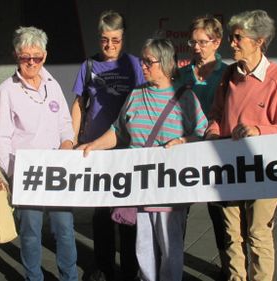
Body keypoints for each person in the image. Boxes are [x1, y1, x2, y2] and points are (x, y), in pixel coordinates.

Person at [80, 38, 208, 281]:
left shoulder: (186, 98)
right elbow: (118, 131)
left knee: (171, 252)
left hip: (171, 189)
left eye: (149, 62)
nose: (143, 67)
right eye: (142, 61)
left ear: (167, 63)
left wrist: (184, 141)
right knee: (144, 250)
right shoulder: (136, 95)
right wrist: (93, 145)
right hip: (141, 189)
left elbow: (202, 133)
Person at [205, 10, 277, 281]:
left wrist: (258, 130)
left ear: (259, 41)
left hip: (265, 169)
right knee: (231, 232)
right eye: (231, 37)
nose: (231, 43)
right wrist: (212, 132)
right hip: (230, 167)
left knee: (258, 233)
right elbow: (216, 115)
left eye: (238, 38)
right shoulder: (228, 74)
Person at [0, 26, 77, 281]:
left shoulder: (53, 85)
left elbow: (65, 124)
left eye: (37, 57)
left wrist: (67, 145)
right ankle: (33, 278)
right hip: (27, 175)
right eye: (25, 57)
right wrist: (13, 174)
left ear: (45, 56)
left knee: (65, 229)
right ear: (15, 55)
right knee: (30, 233)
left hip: (57, 172)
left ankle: (69, 277)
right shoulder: (6, 90)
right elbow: (3, 139)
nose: (31, 62)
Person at [70, 10, 145, 281]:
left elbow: (143, 101)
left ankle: (129, 269)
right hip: (95, 147)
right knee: (101, 212)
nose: (109, 46)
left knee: (127, 214)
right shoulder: (88, 66)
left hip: (126, 149)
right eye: (104, 40)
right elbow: (79, 105)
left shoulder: (134, 65)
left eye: (115, 40)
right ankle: (103, 267)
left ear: (123, 38)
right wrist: (73, 140)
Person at [176, 15, 227, 278]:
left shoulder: (227, 73)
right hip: (184, 152)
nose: (196, 47)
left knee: (221, 216)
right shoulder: (182, 74)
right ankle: (172, 265)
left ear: (216, 42)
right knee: (178, 214)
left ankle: (228, 268)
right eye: (193, 42)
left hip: (216, 154)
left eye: (202, 42)